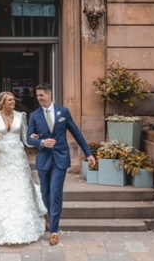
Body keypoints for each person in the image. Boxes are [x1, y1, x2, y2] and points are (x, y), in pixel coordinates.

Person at [0, 91, 47, 245]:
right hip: (0, 156)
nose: (13, 102)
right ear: (2, 102)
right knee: (1, 186)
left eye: (14, 99)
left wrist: (38, 140)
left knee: (20, 186)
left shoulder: (21, 116)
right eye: (10, 100)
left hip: (17, 156)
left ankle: (23, 218)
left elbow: (25, 138)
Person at [26, 82, 96, 246]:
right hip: (43, 159)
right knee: (45, 193)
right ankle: (50, 215)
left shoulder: (63, 112)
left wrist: (89, 154)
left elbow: (77, 133)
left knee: (56, 192)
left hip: (60, 159)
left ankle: (54, 231)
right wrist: (41, 142)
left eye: (41, 95)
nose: (39, 98)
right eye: (37, 96)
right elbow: (29, 138)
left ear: (50, 95)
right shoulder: (34, 115)